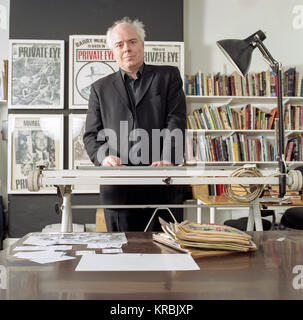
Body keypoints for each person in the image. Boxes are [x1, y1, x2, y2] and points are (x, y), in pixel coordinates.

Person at [83, 17, 187, 232]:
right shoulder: (98, 89)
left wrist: (168, 157)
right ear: (112, 51)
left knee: (166, 254)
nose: (126, 49)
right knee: (121, 254)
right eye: (119, 45)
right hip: (118, 188)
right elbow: (91, 135)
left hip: (162, 181)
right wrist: (104, 157)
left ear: (142, 44)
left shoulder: (168, 76)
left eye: (132, 42)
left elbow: (175, 120)